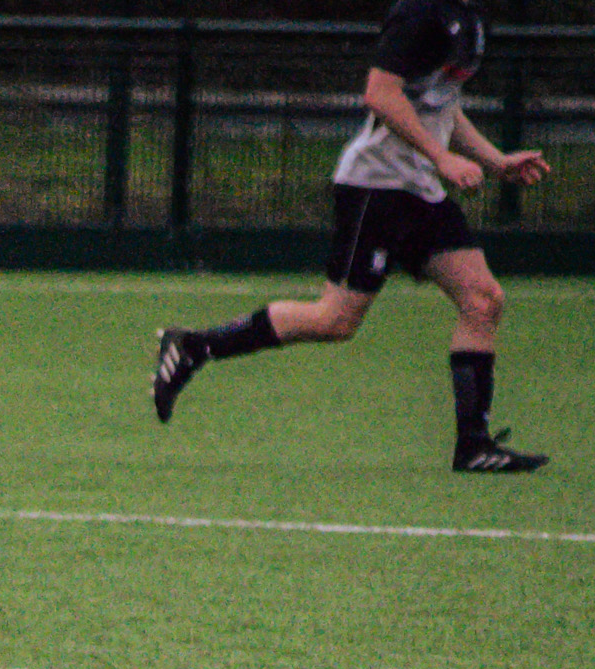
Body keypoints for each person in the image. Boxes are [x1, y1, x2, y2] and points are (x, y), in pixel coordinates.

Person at [150, 0, 553, 473]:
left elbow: (441, 106)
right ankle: (195, 345)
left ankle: (474, 445)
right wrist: (442, 159)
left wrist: (495, 159)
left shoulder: (471, 18)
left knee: (483, 299)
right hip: (374, 188)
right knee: (335, 320)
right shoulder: (422, 15)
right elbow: (381, 95)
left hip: (419, 189)